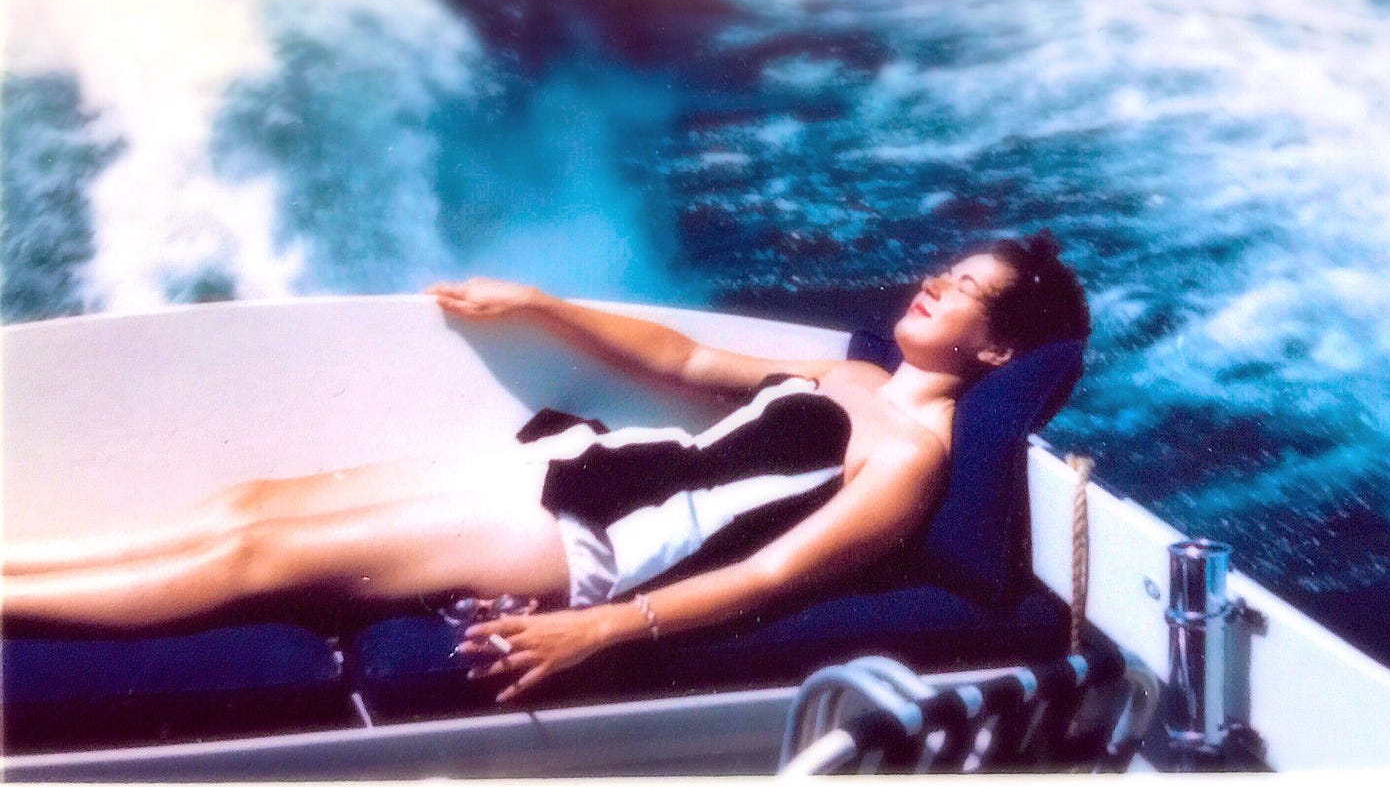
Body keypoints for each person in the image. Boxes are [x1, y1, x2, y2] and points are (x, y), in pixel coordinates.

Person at [1, 231, 1089, 704]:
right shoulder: (851, 380)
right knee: (256, 502)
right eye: (943, 271)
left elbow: (770, 580)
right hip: (573, 474)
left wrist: (597, 627)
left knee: (259, 551)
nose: (934, 287)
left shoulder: (907, 458)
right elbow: (691, 357)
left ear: (996, 349)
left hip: (585, 545)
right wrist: (544, 307)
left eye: (966, 291)